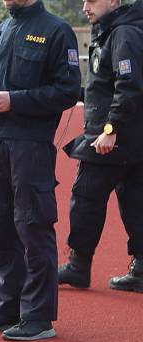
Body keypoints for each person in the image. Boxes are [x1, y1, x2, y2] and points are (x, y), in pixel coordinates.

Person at [0, 0, 81, 341]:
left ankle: (38, 316)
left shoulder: (56, 30)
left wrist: (16, 100)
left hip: (31, 143)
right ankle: (7, 306)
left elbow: (68, 90)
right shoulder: (1, 29)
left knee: (32, 224)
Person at [58, 0, 143, 293]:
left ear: (113, 1)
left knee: (85, 198)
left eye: (92, 0)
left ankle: (78, 266)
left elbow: (128, 84)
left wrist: (111, 128)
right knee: (135, 202)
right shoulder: (115, 30)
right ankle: (141, 268)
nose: (85, 7)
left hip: (110, 139)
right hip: (133, 138)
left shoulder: (123, 33)